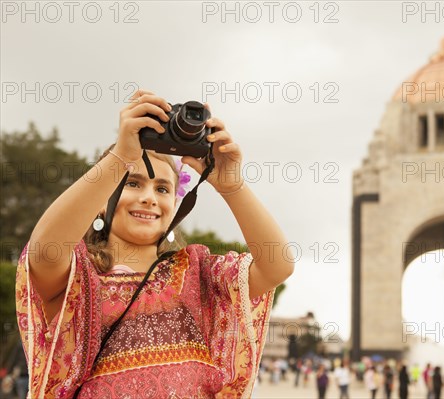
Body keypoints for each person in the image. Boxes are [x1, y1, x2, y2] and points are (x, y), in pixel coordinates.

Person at [15, 90, 294, 398]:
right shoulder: (81, 275)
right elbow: (44, 250)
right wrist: (120, 157)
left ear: (174, 205)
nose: (149, 197)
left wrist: (233, 187)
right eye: (133, 183)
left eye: (162, 189)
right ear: (100, 201)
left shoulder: (198, 273)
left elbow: (277, 266)